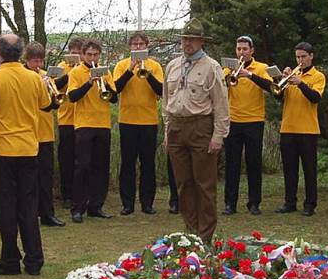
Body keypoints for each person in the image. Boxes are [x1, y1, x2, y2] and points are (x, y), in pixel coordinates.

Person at [0, 34, 53, 275]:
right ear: (21, 53)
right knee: (28, 205)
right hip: (29, 149)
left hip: (2, 151)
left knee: (5, 207)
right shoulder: (34, 77)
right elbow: (46, 105)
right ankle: (34, 260)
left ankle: (9, 259)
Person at [163, 18, 229, 243]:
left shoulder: (212, 67)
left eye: (191, 39)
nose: (187, 43)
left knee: (204, 184)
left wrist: (218, 136)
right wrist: (167, 130)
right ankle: (190, 233)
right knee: (183, 184)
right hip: (176, 127)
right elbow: (166, 100)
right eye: (184, 39)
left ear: (201, 41)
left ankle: (206, 235)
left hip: (201, 127)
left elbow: (221, 104)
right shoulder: (172, 65)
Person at [67, 38, 118, 223]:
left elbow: (113, 99)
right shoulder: (76, 72)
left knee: (100, 166)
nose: (93, 58)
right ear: (82, 55)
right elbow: (72, 96)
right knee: (83, 166)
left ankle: (96, 206)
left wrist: (103, 82)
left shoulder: (105, 71)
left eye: (96, 54)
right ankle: (77, 208)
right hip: (84, 124)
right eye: (89, 54)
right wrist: (89, 83)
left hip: (103, 124)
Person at [113, 32, 164, 215]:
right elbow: (115, 89)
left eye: (141, 44)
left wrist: (147, 73)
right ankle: (127, 204)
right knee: (127, 164)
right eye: (134, 44)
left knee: (148, 164)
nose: (137, 47)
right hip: (127, 120)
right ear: (129, 47)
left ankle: (147, 203)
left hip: (149, 121)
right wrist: (130, 70)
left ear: (146, 45)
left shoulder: (155, 66)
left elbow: (161, 90)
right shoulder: (121, 65)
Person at [222, 35, 273, 216]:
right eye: (239, 49)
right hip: (233, 121)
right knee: (232, 164)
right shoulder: (229, 68)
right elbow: (221, 88)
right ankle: (230, 203)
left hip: (254, 121)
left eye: (245, 49)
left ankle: (254, 203)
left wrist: (250, 75)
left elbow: (271, 86)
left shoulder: (261, 68)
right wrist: (229, 76)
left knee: (254, 163)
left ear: (252, 50)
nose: (241, 52)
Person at [274, 42, 326, 217]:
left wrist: (300, 83)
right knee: (289, 169)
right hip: (288, 128)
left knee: (309, 169)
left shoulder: (318, 76)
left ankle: (310, 204)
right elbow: (278, 96)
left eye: (303, 56)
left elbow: (315, 98)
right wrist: (280, 80)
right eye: (298, 57)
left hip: (308, 130)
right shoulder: (292, 76)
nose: (300, 60)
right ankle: (290, 202)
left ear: (311, 56)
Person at [24, 43, 65, 227]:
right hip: (28, 134)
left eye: (41, 60)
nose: (38, 64)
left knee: (46, 176)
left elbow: (52, 106)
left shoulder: (45, 76)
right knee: (29, 179)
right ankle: (30, 214)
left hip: (46, 133)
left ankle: (48, 214)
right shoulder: (23, 77)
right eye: (35, 60)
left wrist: (52, 93)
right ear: (27, 60)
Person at [56, 37, 83, 208]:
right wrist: (70, 73)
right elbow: (56, 86)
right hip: (66, 118)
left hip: (84, 120)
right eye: (73, 52)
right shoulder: (61, 67)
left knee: (82, 160)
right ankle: (66, 195)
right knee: (66, 158)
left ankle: (81, 193)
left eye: (79, 53)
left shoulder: (89, 68)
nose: (75, 55)